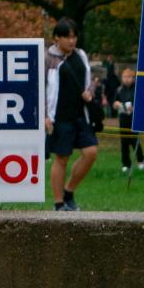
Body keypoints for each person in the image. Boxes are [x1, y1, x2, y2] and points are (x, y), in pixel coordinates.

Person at [44, 19, 98, 211]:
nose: (72, 41)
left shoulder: (81, 55)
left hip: (80, 114)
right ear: (56, 38)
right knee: (62, 158)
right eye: (67, 36)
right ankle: (59, 203)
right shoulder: (47, 59)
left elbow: (90, 80)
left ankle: (69, 191)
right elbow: (40, 89)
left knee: (91, 152)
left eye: (74, 36)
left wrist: (89, 91)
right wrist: (44, 115)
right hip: (59, 116)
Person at [114, 67, 141, 175]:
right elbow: (114, 102)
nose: (127, 79)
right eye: (124, 77)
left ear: (133, 78)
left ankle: (140, 160)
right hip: (123, 117)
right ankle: (126, 164)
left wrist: (134, 108)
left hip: (134, 118)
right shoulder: (119, 89)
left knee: (134, 140)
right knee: (124, 142)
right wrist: (118, 104)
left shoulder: (137, 89)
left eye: (129, 77)